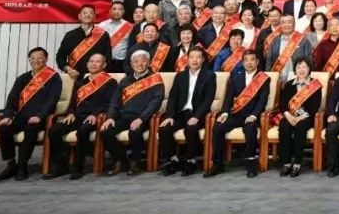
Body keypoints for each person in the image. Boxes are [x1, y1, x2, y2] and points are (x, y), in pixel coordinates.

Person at [0, 47, 63, 182]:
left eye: (40, 58)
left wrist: (40, 116)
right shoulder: (22, 78)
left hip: (41, 118)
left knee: (30, 130)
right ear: (29, 60)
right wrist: (8, 116)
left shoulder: (53, 77)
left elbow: (52, 100)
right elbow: (12, 99)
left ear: (46, 59)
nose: (36, 61)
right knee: (3, 128)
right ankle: (11, 164)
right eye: (33, 58)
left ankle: (22, 166)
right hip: (21, 117)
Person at [45, 53, 115, 180]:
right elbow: (72, 102)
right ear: (87, 64)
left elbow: (110, 103)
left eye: (97, 62)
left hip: (95, 117)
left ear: (104, 65)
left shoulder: (110, 82)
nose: (94, 64)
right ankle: (62, 163)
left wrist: (95, 115)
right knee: (54, 130)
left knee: (82, 132)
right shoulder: (81, 82)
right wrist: (71, 113)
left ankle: (78, 166)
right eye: (91, 61)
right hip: (77, 116)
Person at [205, 50, 270, 178]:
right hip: (236, 114)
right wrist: (224, 113)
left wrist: (254, 115)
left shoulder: (263, 79)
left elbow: (262, 100)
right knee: (218, 127)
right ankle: (218, 163)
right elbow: (228, 98)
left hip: (252, 115)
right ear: (242, 62)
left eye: (252, 59)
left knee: (250, 129)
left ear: (257, 62)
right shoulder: (236, 78)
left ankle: (251, 163)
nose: (249, 63)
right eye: (246, 60)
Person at [100, 49, 165, 176]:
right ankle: (121, 160)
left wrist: (141, 118)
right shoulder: (125, 80)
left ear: (148, 63)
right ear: (131, 64)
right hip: (124, 116)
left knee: (134, 132)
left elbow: (155, 103)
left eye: (143, 61)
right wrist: (110, 117)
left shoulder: (155, 79)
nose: (139, 64)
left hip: (143, 117)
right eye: (136, 61)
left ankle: (136, 163)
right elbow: (115, 101)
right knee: (105, 132)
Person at [157, 48, 215, 177]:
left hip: (198, 114)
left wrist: (197, 116)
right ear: (187, 59)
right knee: (165, 129)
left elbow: (208, 99)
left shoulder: (209, 76)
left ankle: (191, 160)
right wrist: (170, 116)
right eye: (192, 57)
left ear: (203, 60)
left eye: (198, 57)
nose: (195, 60)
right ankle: (173, 160)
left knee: (190, 129)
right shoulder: (180, 76)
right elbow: (173, 97)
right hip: (180, 113)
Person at [277, 60, 323, 178]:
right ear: (295, 70)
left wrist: (299, 118)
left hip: (306, 117)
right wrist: (288, 116)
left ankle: (297, 163)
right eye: (298, 67)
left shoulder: (315, 85)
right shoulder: (289, 84)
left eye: (304, 67)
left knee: (300, 127)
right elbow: (282, 104)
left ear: (309, 69)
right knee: (284, 126)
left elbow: (315, 106)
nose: (301, 70)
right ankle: (286, 163)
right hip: (290, 116)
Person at [55, 4, 112, 79]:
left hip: (96, 78)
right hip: (75, 77)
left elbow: (108, 58)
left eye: (90, 13)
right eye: (85, 13)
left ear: (94, 16)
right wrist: (68, 69)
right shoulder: (70, 35)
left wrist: (100, 72)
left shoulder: (103, 35)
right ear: (79, 16)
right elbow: (60, 57)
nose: (88, 15)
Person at [98, 1, 132, 72]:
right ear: (110, 11)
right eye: (114, 9)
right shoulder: (101, 26)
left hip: (122, 63)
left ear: (123, 12)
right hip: (105, 63)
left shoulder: (129, 26)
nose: (117, 11)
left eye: (120, 9)